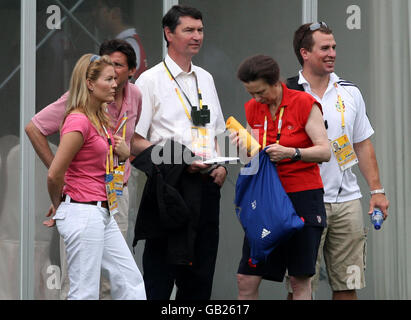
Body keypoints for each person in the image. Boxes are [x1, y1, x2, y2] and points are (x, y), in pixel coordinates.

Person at [25, 39, 142, 300]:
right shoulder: (78, 121)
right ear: (90, 84)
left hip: (104, 209)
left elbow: (99, 162)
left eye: (116, 78)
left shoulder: (98, 118)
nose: (115, 84)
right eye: (109, 79)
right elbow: (55, 173)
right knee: (85, 292)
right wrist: (62, 202)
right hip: (84, 211)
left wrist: (124, 156)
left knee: (131, 284)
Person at [286, 22, 389, 300]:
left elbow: (362, 143)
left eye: (334, 47)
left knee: (347, 285)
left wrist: (377, 191)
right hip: (303, 201)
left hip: (347, 202)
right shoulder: (287, 94)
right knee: (301, 286)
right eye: (325, 48)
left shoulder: (349, 91)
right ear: (305, 52)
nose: (332, 53)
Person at [130, 5, 227, 300]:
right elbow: (134, 141)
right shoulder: (150, 80)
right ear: (168, 33)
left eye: (200, 30)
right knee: (161, 272)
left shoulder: (206, 78)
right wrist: (181, 160)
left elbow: (216, 132)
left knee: (200, 274)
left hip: (208, 183)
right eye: (188, 30)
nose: (197, 36)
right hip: (170, 185)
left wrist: (221, 165)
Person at [233, 54, 331, 300]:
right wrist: (241, 147)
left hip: (302, 195)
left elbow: (325, 151)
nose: (256, 98)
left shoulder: (303, 103)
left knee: (299, 280)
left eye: (260, 91)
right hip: (266, 198)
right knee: (246, 278)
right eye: (251, 93)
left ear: (276, 82)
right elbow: (250, 158)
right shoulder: (254, 108)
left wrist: (292, 153)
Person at [93, 0, 148, 80]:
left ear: (115, 13)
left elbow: (117, 84)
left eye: (98, 8)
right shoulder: (127, 42)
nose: (93, 13)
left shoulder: (128, 44)